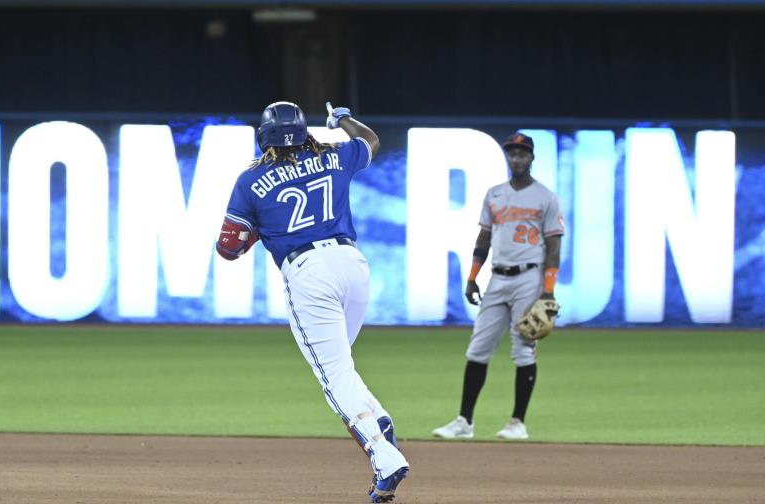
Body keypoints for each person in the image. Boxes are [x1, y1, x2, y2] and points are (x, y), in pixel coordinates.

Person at [215, 101, 409, 502]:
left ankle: (383, 456)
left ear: (263, 137)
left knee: (333, 375)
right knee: (342, 367)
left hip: (308, 272)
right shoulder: (335, 156)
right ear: (304, 131)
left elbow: (228, 248)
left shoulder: (252, 180)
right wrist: (342, 120)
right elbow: (371, 140)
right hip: (352, 264)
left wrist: (258, 231)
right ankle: (381, 421)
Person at [432, 132, 563, 441]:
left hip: (529, 277)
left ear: (531, 158)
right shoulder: (494, 194)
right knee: (478, 347)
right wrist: (472, 278)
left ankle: (518, 422)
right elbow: (483, 239)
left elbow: (554, 246)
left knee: (523, 347)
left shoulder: (545, 197)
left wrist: (548, 289)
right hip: (497, 277)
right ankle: (464, 421)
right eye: (512, 153)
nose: (517, 158)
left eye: (522, 153)